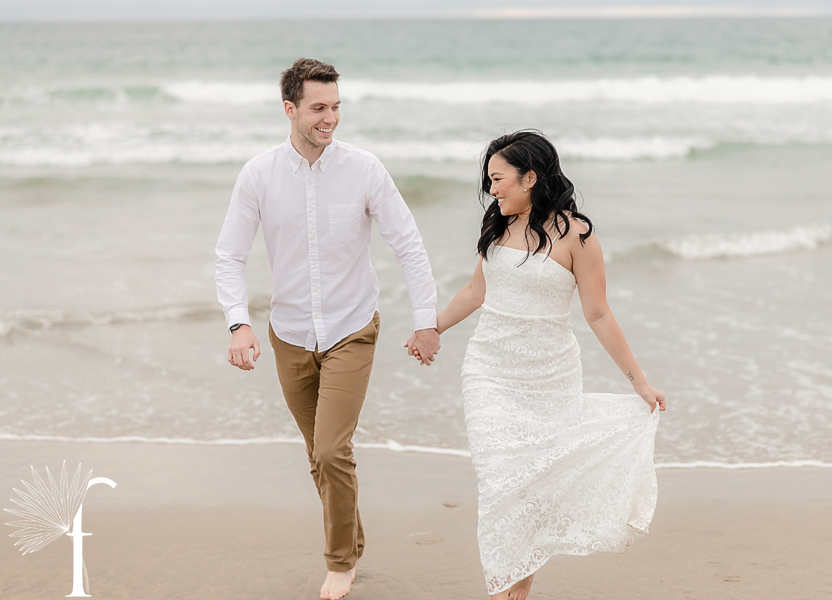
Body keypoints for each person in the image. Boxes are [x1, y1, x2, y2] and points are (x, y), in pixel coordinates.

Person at [215, 58, 441, 600]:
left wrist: (426, 321)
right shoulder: (258, 175)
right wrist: (238, 323)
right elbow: (229, 256)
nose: (330, 118)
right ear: (290, 109)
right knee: (318, 453)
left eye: (336, 107)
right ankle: (352, 536)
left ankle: (341, 562)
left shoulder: (364, 170)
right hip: (289, 335)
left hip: (352, 328)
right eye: (319, 108)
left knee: (331, 449)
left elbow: (407, 244)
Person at [415, 130, 664, 600]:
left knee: (534, 480)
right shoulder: (498, 226)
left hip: (551, 376)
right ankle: (504, 585)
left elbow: (598, 314)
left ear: (530, 177)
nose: (492, 190)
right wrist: (432, 328)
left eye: (498, 179)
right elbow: (476, 291)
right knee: (499, 479)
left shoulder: (578, 236)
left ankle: (520, 580)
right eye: (489, 180)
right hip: (489, 370)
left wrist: (640, 383)